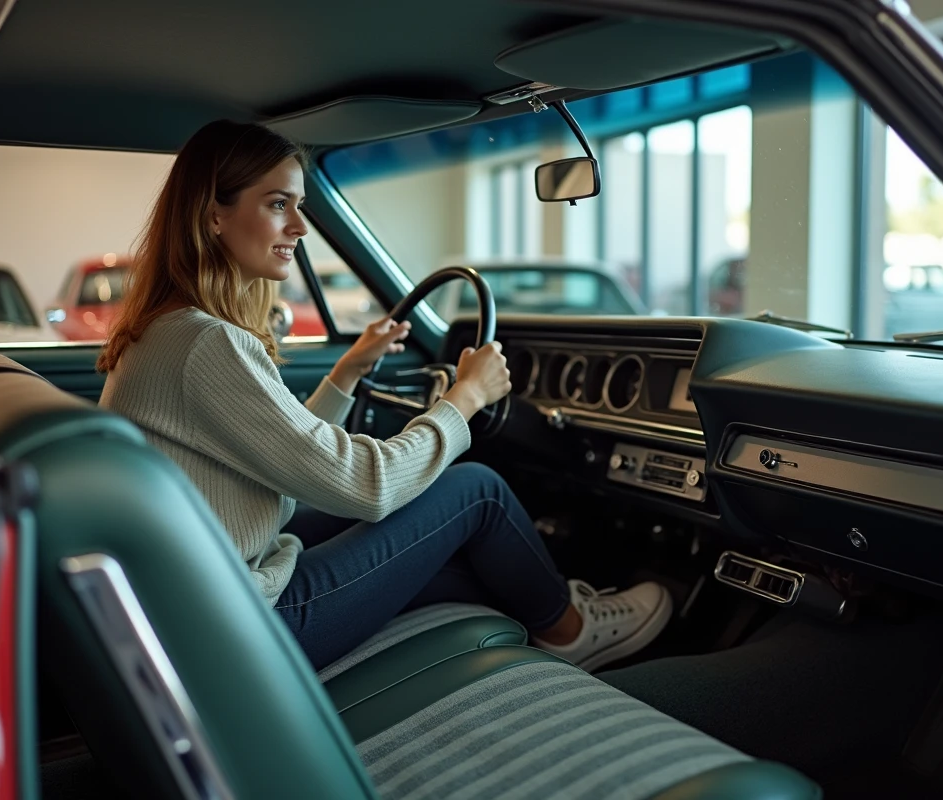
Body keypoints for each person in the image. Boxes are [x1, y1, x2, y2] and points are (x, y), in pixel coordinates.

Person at [98, 120, 672, 672]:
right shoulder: (207, 343)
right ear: (213, 215)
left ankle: (546, 616)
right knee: (477, 491)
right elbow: (364, 487)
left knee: (452, 562)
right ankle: (574, 632)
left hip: (201, 609)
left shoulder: (171, 330)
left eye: (299, 205)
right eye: (278, 204)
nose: (300, 226)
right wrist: (465, 398)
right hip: (244, 629)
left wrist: (347, 374)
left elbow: (279, 453)